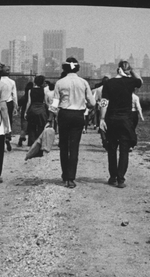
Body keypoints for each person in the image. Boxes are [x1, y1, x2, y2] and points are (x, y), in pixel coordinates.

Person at [99, 60, 142, 188]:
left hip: (111, 119)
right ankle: (121, 179)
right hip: (126, 120)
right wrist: (132, 70)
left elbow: (104, 101)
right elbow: (140, 81)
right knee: (124, 150)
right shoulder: (130, 82)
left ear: (117, 70)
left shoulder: (108, 83)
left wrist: (101, 118)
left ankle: (112, 177)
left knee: (111, 149)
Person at [53, 57, 95, 188]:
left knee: (64, 146)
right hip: (78, 115)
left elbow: (54, 104)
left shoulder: (60, 83)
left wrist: (51, 118)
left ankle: (65, 174)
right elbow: (92, 103)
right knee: (74, 146)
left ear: (64, 68)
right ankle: (71, 177)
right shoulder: (83, 82)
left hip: (64, 114)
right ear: (77, 68)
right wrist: (86, 106)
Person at [24, 74, 49, 148]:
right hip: (41, 109)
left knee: (31, 127)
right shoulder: (44, 90)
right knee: (41, 127)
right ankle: (39, 145)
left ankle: (32, 144)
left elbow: (29, 102)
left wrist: (26, 112)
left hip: (32, 109)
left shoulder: (30, 90)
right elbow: (46, 101)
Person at [0, 66, 19, 152]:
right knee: (9, 119)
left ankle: (1, 137)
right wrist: (16, 106)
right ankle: (8, 135)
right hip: (9, 102)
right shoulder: (12, 82)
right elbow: (14, 95)